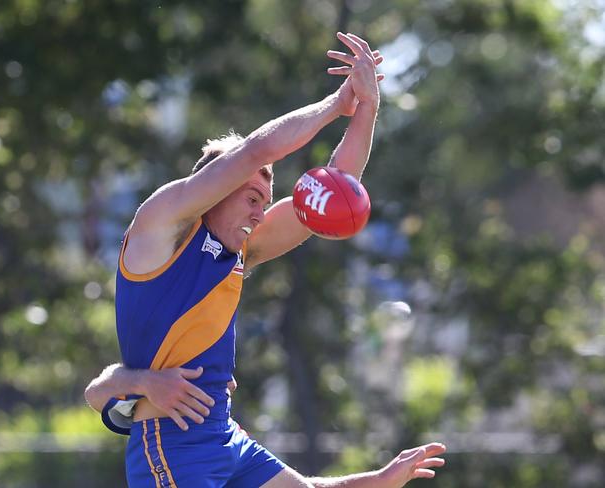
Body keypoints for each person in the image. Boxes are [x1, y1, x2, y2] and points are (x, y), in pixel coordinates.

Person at [84, 32, 446, 488]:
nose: (260, 213)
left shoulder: (238, 252)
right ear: (216, 185)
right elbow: (258, 149)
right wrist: (338, 103)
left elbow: (327, 199)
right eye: (253, 196)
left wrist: (368, 108)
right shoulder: (162, 225)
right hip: (172, 447)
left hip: (223, 436)